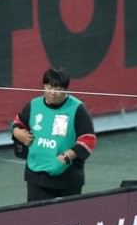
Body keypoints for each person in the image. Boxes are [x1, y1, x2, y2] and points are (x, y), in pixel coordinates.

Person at [11, 67, 97, 201]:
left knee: (67, 213)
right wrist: (17, 132)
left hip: (67, 178)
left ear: (65, 89)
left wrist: (66, 157)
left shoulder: (77, 109)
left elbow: (88, 140)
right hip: (36, 175)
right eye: (49, 87)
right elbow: (18, 122)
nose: (52, 93)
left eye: (58, 89)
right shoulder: (33, 105)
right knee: (36, 213)